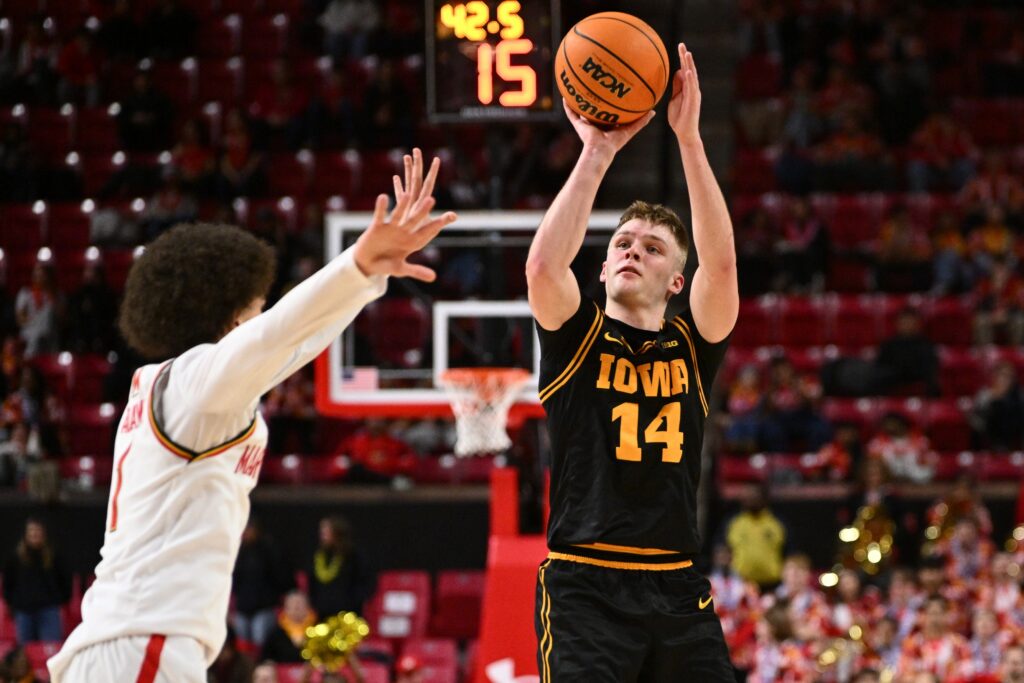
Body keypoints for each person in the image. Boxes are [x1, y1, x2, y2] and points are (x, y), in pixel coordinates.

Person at [46, 149, 456, 682]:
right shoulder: (195, 384)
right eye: (258, 303)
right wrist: (356, 262)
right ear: (230, 309)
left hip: (138, 644)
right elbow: (277, 336)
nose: (262, 313)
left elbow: (289, 347)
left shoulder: (180, 387)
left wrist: (365, 278)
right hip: (140, 644)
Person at [525, 45, 738, 680]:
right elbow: (541, 267)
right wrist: (597, 151)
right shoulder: (577, 334)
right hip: (585, 584)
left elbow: (721, 264)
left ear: (678, 281)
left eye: (652, 248)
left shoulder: (692, 346)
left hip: (677, 585)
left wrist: (690, 141)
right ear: (601, 264)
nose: (631, 252)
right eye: (621, 243)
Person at [2, 519, 70, 644]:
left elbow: (65, 580)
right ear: (26, 534)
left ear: (44, 534)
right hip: (24, 612)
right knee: (24, 653)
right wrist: (13, 603)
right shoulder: (15, 558)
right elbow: (8, 583)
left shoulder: (54, 557)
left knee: (51, 650)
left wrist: (58, 600)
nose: (34, 534)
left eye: (38, 531)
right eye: (32, 531)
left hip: (49, 611)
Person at [232, 518, 294, 648]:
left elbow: (280, 577)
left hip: (264, 606)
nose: (245, 534)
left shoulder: (269, 550)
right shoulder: (239, 552)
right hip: (243, 607)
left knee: (260, 640)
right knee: (240, 643)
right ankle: (245, 666)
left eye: (248, 529)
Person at [307, 516, 375, 618]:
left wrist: (354, 601)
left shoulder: (353, 556)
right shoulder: (319, 556)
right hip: (322, 614)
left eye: (326, 531)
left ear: (337, 532)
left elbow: (367, 582)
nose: (322, 534)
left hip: (349, 615)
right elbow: (312, 584)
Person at [725, 487, 786, 588]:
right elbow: (722, 550)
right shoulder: (734, 522)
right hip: (740, 583)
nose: (751, 499)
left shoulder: (777, 523)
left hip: (772, 584)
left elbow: (791, 552)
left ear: (764, 498)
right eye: (747, 497)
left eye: (754, 496)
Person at [260, 592, 316, 664]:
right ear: (285, 609)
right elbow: (266, 657)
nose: (296, 608)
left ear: (308, 607)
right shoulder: (276, 632)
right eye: (292, 605)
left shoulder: (318, 629)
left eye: (300, 604)